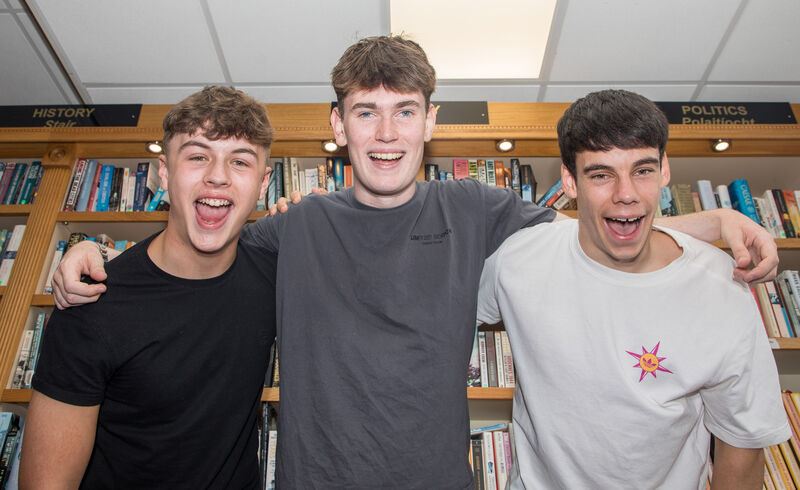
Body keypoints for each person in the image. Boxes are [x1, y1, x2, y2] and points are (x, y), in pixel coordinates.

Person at [51, 37, 779, 488]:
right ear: (337, 127)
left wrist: (715, 222)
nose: (386, 132)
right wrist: (96, 254)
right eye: (365, 112)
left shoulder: (477, 208)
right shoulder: (295, 230)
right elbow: (196, 249)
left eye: (405, 110)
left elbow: (601, 228)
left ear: (431, 121)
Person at [477, 89, 790, 489]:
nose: (626, 193)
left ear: (664, 171)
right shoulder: (517, 261)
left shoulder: (721, 286)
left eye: (642, 170)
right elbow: (434, 328)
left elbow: (742, 446)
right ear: (570, 181)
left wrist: (718, 220)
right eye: (601, 175)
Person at [20, 86, 279, 489]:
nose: (218, 176)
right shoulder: (91, 304)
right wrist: (90, 248)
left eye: (240, 162)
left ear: (263, 184)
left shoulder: (275, 274)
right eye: (197, 156)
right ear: (165, 172)